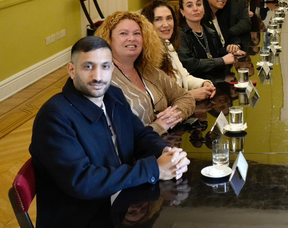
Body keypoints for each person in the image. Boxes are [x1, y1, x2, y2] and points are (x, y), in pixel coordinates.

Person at [29, 36, 190, 227]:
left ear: (112, 69)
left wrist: (164, 152)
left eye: (105, 66)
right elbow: (83, 181)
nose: (98, 76)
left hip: (121, 201)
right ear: (72, 70)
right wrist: (154, 169)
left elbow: (139, 134)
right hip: (83, 218)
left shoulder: (113, 95)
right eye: (88, 66)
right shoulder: (54, 117)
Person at [95, 12, 196, 136]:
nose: (132, 38)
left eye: (137, 33)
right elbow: (114, 133)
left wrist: (174, 116)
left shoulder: (150, 71)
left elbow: (185, 97)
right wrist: (158, 127)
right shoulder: (102, 81)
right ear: (108, 40)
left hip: (165, 144)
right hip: (134, 153)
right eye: (123, 33)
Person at [141, 0, 216, 101]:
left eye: (169, 18)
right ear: (148, 24)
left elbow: (184, 77)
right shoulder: (146, 55)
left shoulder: (167, 45)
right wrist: (190, 95)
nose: (166, 24)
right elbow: (158, 99)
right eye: (158, 19)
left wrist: (204, 84)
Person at [178, 0, 244, 81]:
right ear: (182, 11)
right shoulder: (179, 34)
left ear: (204, 8)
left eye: (198, 4)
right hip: (195, 83)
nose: (195, 9)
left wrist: (230, 50)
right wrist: (222, 61)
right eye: (189, 6)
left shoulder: (208, 31)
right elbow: (190, 65)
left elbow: (214, 53)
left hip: (214, 80)